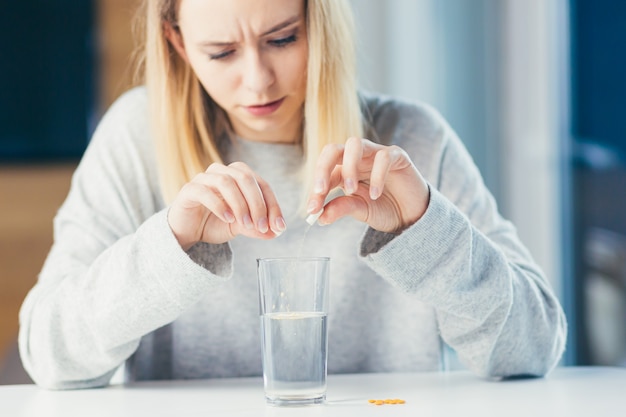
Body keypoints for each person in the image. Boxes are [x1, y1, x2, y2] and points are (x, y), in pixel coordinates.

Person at [18, 0, 566, 389]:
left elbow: (533, 350)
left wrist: (424, 227)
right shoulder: (137, 137)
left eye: (283, 38)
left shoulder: (413, 138)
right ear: (178, 43)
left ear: (320, 23)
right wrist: (170, 244)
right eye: (221, 52)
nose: (258, 81)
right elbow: (50, 356)